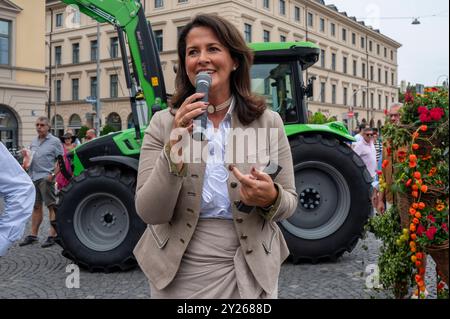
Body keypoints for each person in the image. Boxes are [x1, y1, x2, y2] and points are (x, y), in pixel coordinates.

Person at [133, 14, 297, 299]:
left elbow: (290, 201)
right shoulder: (162, 123)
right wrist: (173, 150)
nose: (202, 59)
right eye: (192, 52)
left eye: (213, 49)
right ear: (185, 65)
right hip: (180, 270)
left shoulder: (268, 122)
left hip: (251, 263)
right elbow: (149, 212)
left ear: (234, 61)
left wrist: (271, 197)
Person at [19, 116, 63, 248]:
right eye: (37, 125)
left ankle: (53, 235)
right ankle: (33, 235)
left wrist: (53, 175)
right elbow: (31, 158)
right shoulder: (34, 141)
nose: (39, 127)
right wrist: (25, 156)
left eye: (42, 125)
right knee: (36, 207)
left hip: (46, 178)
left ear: (48, 127)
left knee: (51, 206)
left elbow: (61, 161)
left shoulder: (55, 141)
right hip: (33, 178)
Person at [0, 142, 35, 256]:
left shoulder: (53, 142)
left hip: (43, 177)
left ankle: (42, 234)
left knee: (46, 206)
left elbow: (21, 188)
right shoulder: (34, 141)